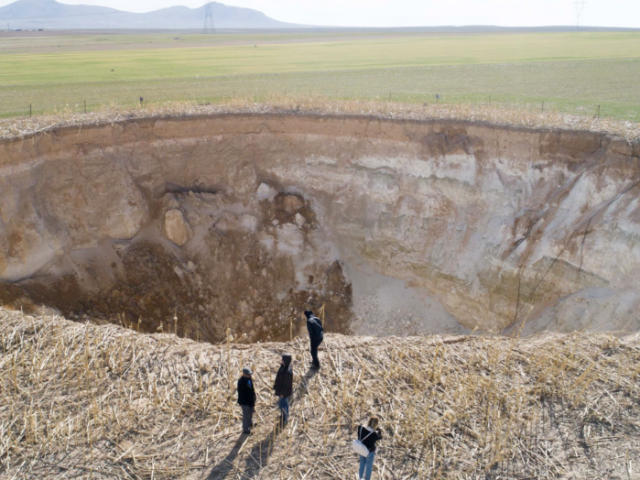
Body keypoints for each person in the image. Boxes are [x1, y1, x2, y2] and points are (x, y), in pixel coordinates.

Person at [273, 354, 293, 428]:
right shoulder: (283, 366)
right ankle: (283, 416)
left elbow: (286, 384)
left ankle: (285, 419)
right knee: (282, 404)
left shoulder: (288, 372)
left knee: (283, 405)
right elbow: (279, 377)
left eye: (282, 360)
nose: (281, 361)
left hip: (284, 392)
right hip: (281, 390)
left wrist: (282, 393)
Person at [237, 368, 256, 434]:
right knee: (246, 415)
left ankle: (250, 423)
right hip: (245, 402)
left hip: (250, 400)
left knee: (251, 412)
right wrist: (247, 402)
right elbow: (242, 394)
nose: (250, 375)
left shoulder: (249, 379)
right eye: (248, 374)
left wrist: (253, 398)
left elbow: (251, 389)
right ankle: (245, 429)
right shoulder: (241, 382)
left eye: (250, 374)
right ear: (244, 374)